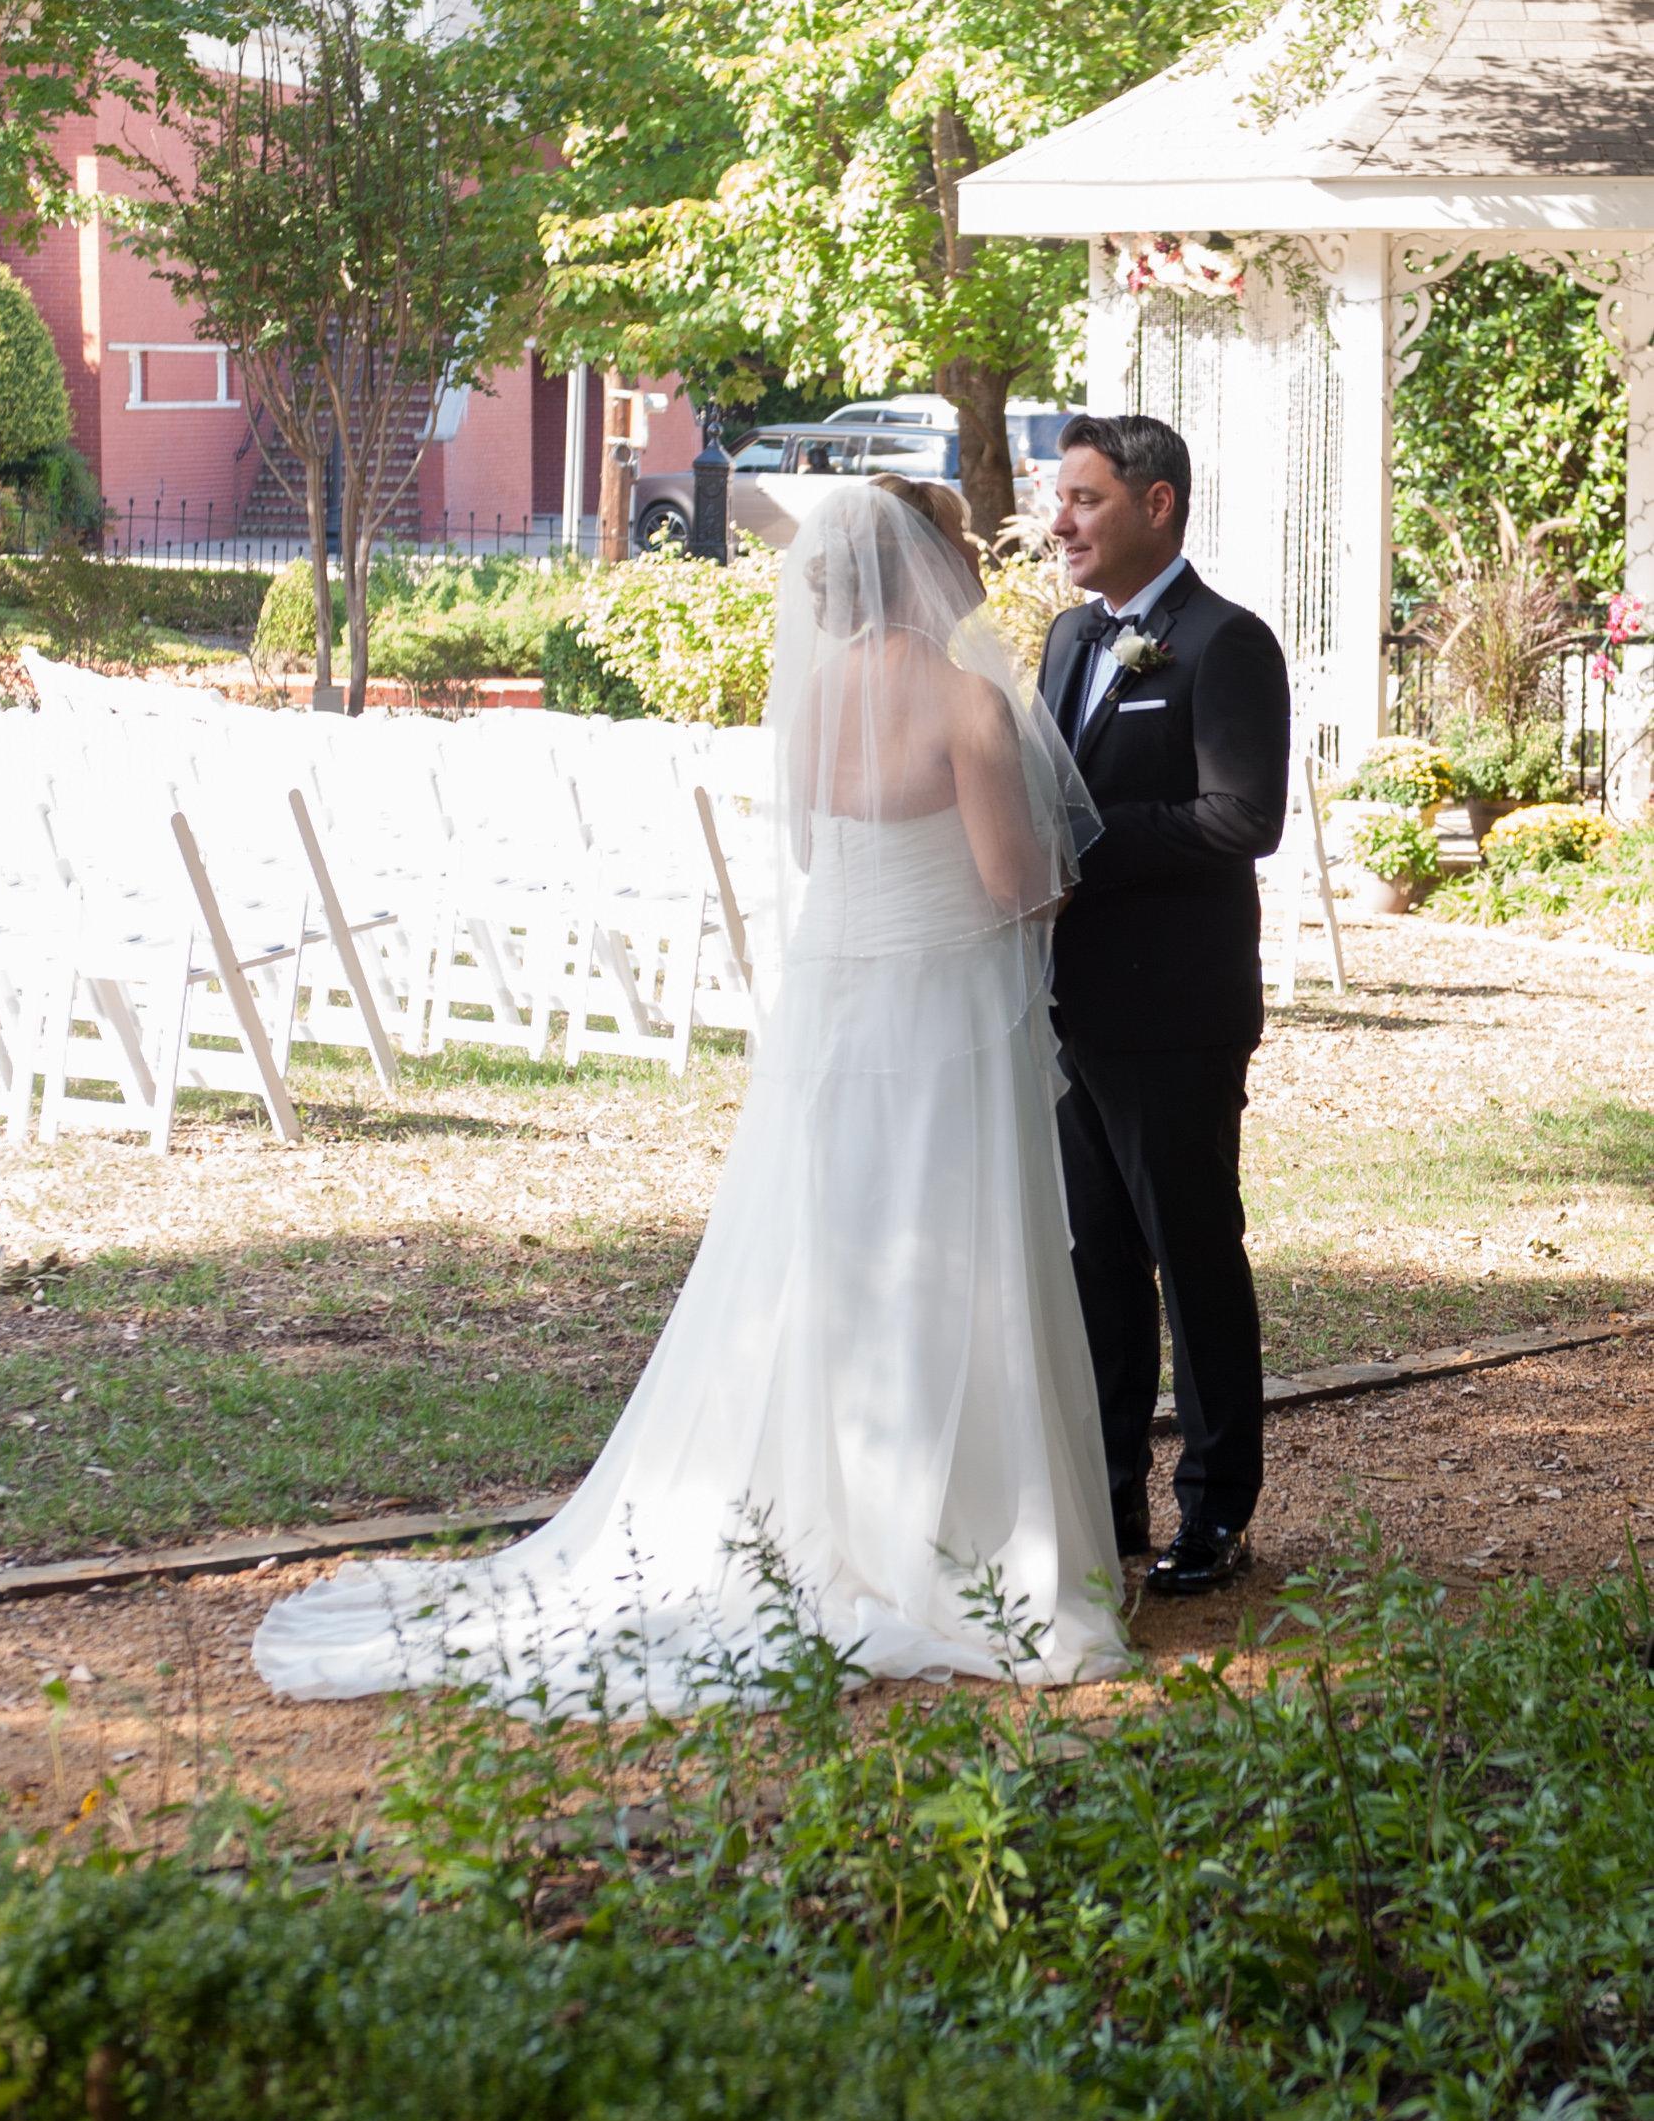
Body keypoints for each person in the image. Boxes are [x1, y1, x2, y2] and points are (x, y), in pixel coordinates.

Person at [255, 481, 1125, 1711]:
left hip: (835, 1007)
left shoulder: (817, 697)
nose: (979, 563)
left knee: (829, 1254)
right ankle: (952, 1540)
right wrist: (1070, 874)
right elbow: (1013, 884)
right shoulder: (970, 703)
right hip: (940, 1014)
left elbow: (818, 853)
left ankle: (825, 1505)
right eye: (962, 543)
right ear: (930, 568)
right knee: (949, 1247)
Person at [1037, 414, 1290, 1599]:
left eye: (1085, 499)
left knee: (1193, 1262)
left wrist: (1078, 844)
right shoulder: (1065, 638)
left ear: (1157, 505)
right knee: (1096, 1264)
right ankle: (1109, 1499)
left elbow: (1243, 818)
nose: (1061, 523)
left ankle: (1216, 1510)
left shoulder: (1225, 643)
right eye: (1061, 499)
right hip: (1071, 1010)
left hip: (1178, 1012)